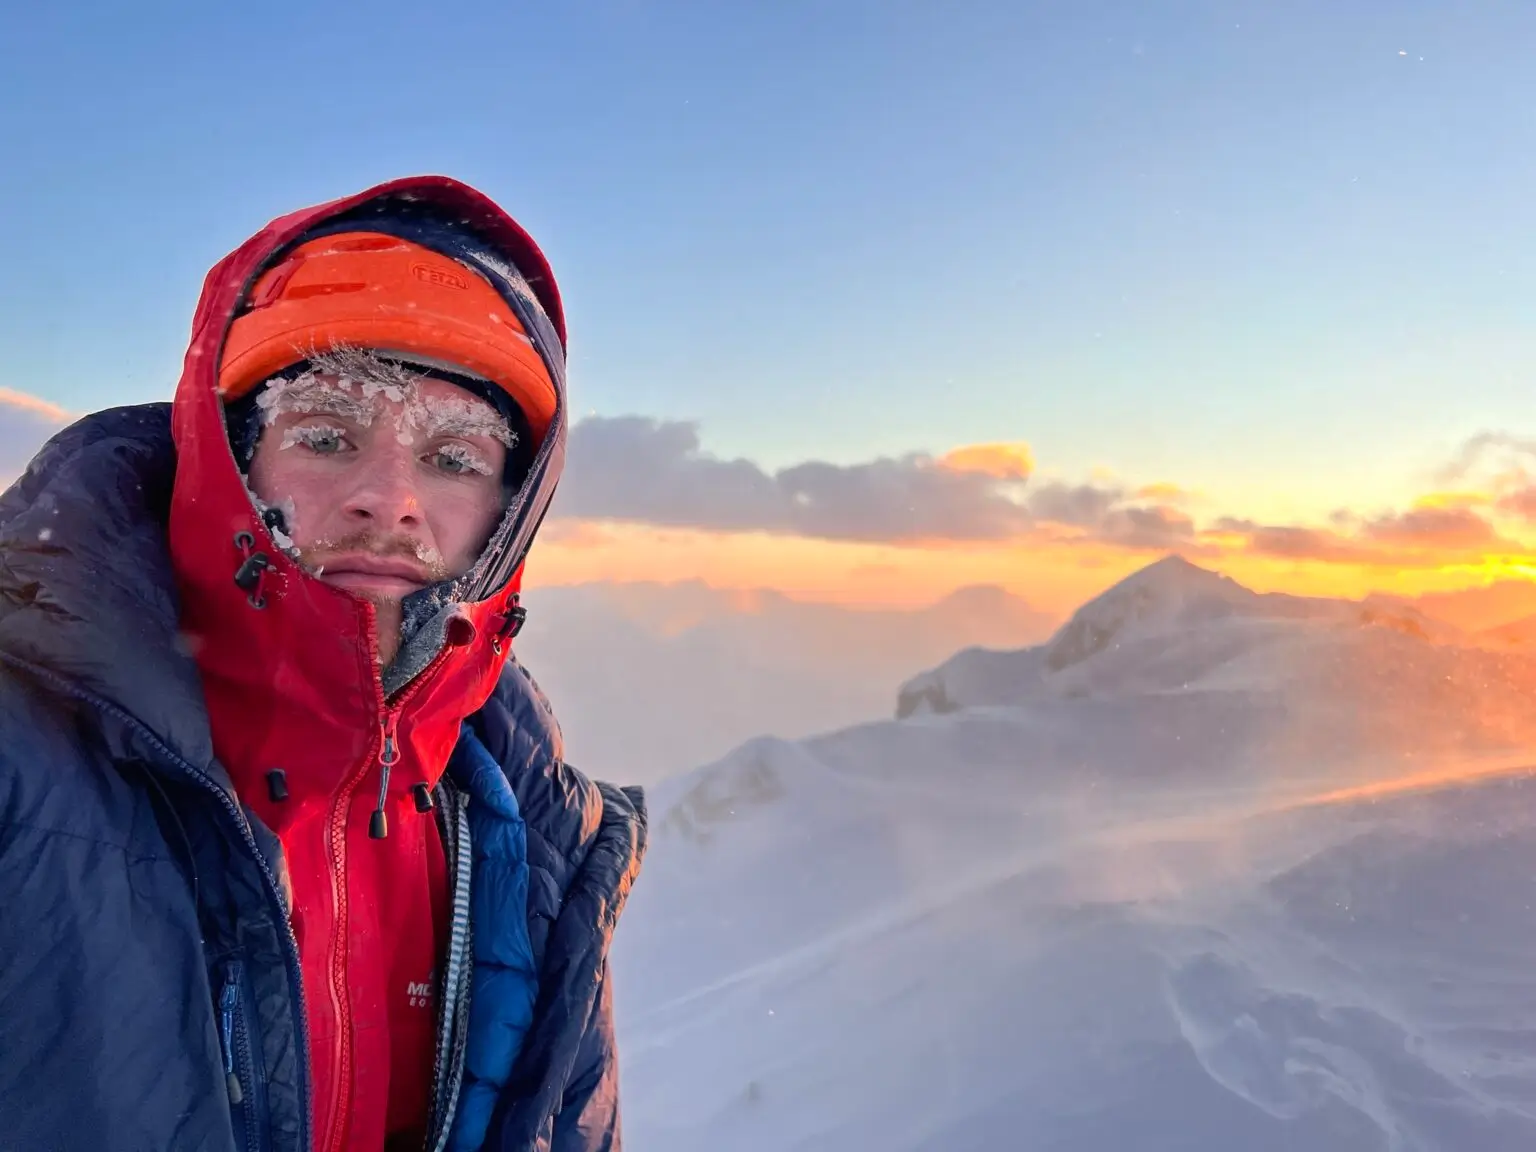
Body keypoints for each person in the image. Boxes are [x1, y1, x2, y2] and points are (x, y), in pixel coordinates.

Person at [0, 176, 647, 1152]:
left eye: (456, 459)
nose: (388, 501)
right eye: (327, 436)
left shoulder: (529, 811)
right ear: (228, 458)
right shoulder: (27, 746)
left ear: (511, 513)